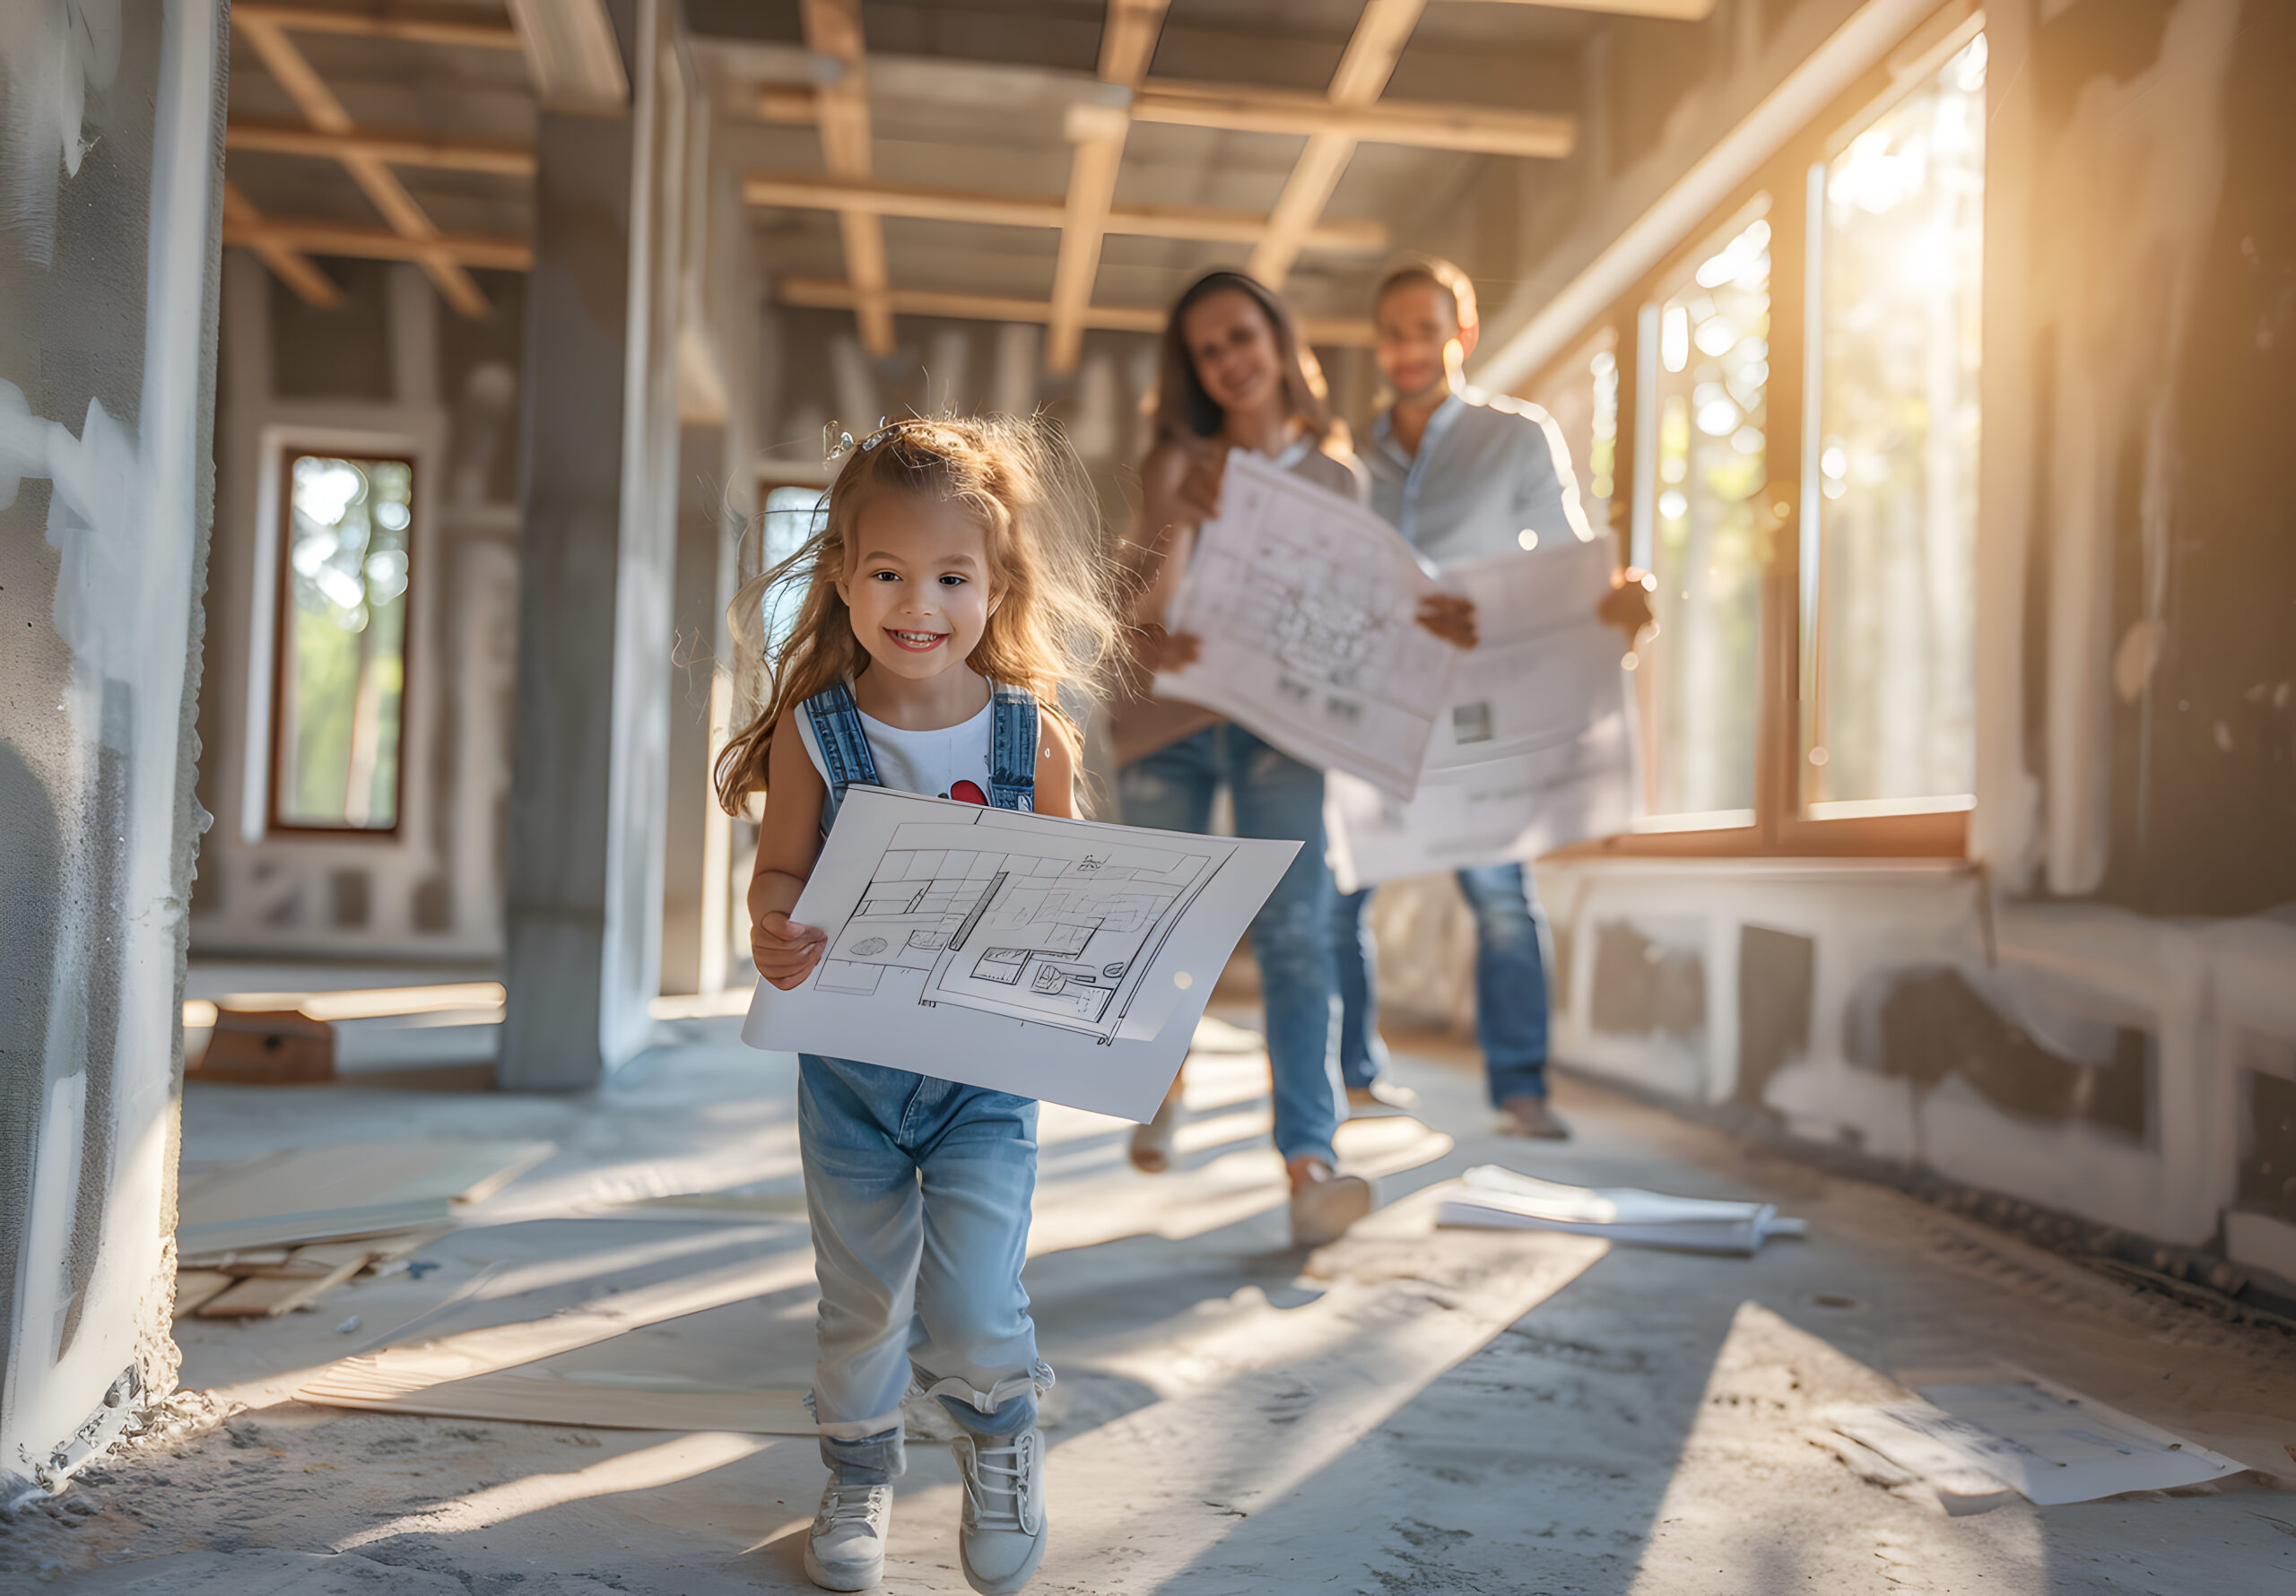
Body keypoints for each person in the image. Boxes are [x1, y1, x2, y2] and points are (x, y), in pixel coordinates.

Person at [716, 417, 1123, 1594]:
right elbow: (780, 869)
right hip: (847, 1077)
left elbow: (1072, 893)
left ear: (996, 587)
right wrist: (772, 922)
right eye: (886, 572)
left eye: (950, 576)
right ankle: (857, 1473)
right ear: (842, 575)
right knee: (859, 1307)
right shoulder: (817, 733)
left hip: (983, 1079)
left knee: (975, 1297)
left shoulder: (1028, 738)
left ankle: (1001, 1446)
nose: (916, 603)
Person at [1111, 269, 1474, 1245]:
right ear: (1193, 368)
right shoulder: (1171, 460)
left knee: (1299, 931)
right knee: (1165, 925)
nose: (1229, 361)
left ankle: (1310, 1164)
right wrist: (1182, 518)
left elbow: (1349, 620)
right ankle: (1162, 1078)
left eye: (1241, 336)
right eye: (1208, 350)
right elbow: (1140, 619)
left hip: (1280, 724)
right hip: (1169, 719)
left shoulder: (1337, 477)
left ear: (1277, 339)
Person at [1339, 257, 1652, 1141]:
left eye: (1425, 328)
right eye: (1393, 331)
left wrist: (1615, 596)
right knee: (1339, 889)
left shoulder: (1516, 437)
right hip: (1375, 701)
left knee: (1501, 897)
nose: (1408, 346)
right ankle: (1354, 1076)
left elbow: (1564, 556)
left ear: (1461, 334)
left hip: (1480, 707)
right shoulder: (1347, 458)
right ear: (1379, 343)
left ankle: (1521, 1087)